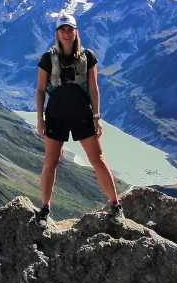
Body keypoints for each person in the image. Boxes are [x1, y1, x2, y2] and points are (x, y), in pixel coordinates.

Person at [35, 13, 124, 225]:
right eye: (62, 30)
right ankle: (45, 209)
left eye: (69, 29)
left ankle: (116, 205)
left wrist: (96, 116)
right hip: (56, 116)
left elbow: (94, 89)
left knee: (98, 160)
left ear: (76, 32)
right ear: (57, 33)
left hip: (83, 115)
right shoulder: (48, 59)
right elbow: (39, 90)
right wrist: (40, 119)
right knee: (51, 161)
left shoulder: (88, 57)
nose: (66, 34)